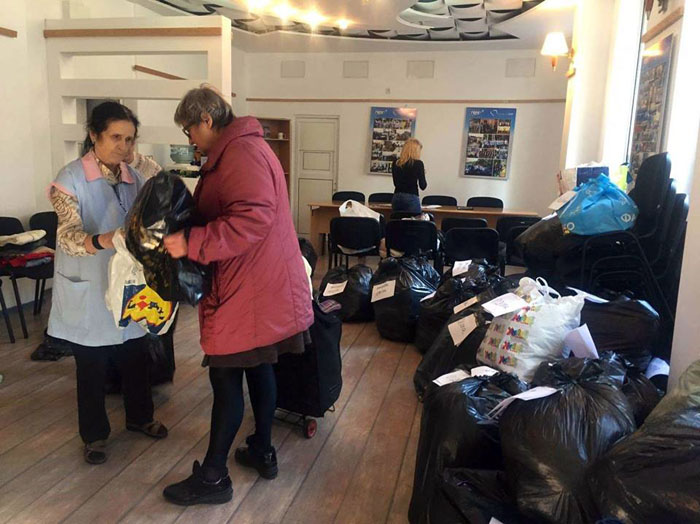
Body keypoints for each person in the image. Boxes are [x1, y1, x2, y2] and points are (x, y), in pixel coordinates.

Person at [162, 85, 313, 505]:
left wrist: (190, 242)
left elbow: (251, 219)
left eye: (190, 130)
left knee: (226, 377)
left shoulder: (240, 153)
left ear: (206, 119)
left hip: (248, 288)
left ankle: (213, 477)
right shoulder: (243, 148)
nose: (190, 139)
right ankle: (262, 450)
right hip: (261, 284)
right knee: (260, 368)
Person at [47, 101, 168, 465]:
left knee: (135, 355)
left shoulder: (133, 175)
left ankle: (140, 417)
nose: (123, 146)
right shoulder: (69, 179)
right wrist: (107, 239)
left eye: (129, 139)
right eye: (115, 137)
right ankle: (95, 435)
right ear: (93, 135)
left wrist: (136, 160)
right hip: (87, 284)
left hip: (127, 284)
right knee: (92, 366)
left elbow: (163, 180)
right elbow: (67, 238)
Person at [391, 138, 427, 215]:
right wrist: (422, 173)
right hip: (411, 197)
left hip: (396, 197)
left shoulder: (395, 163)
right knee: (413, 221)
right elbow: (423, 186)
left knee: (397, 221)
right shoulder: (418, 164)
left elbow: (395, 183)